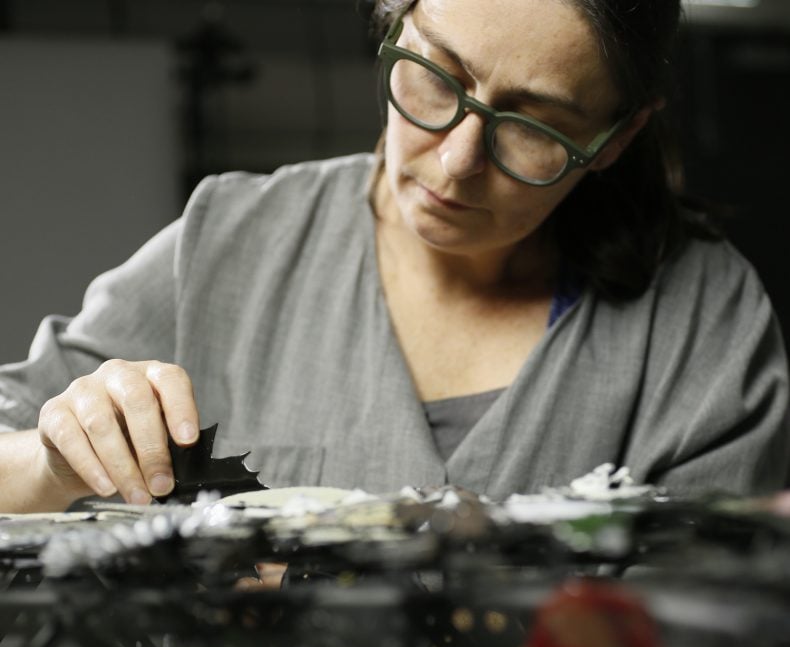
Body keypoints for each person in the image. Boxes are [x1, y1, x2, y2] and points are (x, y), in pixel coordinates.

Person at [0, 0, 787, 514]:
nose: (455, 162)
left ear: (613, 139)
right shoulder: (231, 240)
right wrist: (52, 463)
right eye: (438, 77)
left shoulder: (703, 320)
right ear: (393, 20)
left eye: (533, 126)